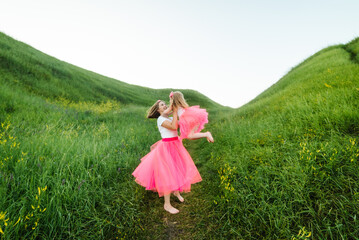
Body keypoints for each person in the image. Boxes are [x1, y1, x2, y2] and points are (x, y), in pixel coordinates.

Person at [132, 100, 202, 214]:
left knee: (178, 169)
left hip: (176, 145)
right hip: (166, 149)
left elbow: (181, 124)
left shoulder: (169, 118)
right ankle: (167, 205)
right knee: (167, 174)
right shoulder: (161, 119)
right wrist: (174, 112)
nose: (165, 105)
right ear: (158, 110)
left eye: (165, 103)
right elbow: (174, 126)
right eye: (162, 105)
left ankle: (176, 191)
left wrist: (193, 120)